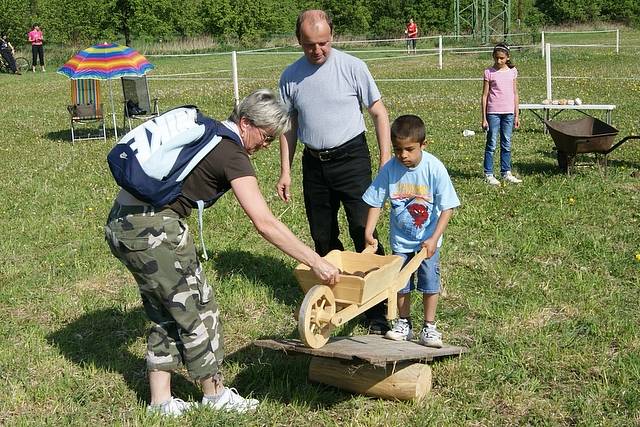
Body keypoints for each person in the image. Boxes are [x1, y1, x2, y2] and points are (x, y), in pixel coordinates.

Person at [105, 89, 340, 417]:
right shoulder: (231, 154)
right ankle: (215, 396)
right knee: (198, 310)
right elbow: (265, 222)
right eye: (266, 136)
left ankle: (161, 402)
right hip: (154, 232)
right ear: (245, 123)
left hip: (122, 224)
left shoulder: (209, 132)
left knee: (166, 311)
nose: (266, 146)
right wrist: (316, 261)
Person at [277, 9, 392, 334]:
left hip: (352, 159)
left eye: (323, 43)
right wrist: (285, 170)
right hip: (314, 164)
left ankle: (377, 309)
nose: (317, 51)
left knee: (362, 229)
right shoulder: (290, 76)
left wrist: (385, 161)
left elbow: (379, 113)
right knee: (322, 236)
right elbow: (289, 125)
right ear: (299, 40)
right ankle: (337, 296)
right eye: (310, 45)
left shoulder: (353, 67)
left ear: (333, 37)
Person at [363, 115, 460, 347]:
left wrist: (434, 238)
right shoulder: (390, 170)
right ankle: (404, 323)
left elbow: (448, 207)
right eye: (398, 150)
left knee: (429, 283)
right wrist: (369, 231)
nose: (403, 155)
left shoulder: (434, 168)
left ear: (423, 145)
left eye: (409, 149)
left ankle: (430, 327)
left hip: (427, 243)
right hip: (400, 243)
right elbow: (376, 201)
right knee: (400, 285)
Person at [481, 43, 522, 186]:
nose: (499, 61)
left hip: (509, 113)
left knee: (507, 143)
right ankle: (489, 173)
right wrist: (484, 117)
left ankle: (506, 172)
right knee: (491, 143)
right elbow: (485, 95)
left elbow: (515, 94)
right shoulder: (489, 72)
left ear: (507, 57)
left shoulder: (512, 72)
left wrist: (516, 115)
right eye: (496, 58)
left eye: (502, 58)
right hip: (493, 113)